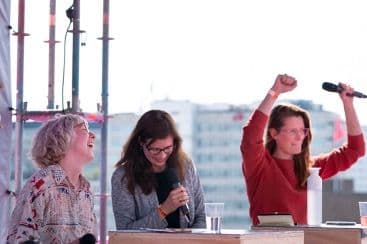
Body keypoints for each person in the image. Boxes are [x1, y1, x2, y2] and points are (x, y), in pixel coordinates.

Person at [241, 74, 365, 225]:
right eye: (293, 131)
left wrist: (348, 104)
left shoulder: (311, 170)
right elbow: (250, 135)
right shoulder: (259, 165)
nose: (300, 137)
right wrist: (275, 92)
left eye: (303, 131)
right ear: (274, 134)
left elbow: (355, 149)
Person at [7, 114, 97, 243]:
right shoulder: (41, 184)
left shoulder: (87, 190)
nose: (93, 135)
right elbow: (20, 241)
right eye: (84, 130)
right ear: (63, 138)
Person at [111, 109, 206, 229]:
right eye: (155, 149)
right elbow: (124, 232)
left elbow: (200, 217)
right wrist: (164, 210)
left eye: (167, 148)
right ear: (141, 142)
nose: (162, 155)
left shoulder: (186, 165)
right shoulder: (123, 177)